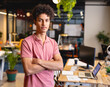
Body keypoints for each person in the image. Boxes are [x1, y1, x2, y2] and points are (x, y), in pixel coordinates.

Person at [21, 4, 63, 87]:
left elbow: (60, 65)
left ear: (49, 22)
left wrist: (39, 61)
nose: (44, 24)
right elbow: (28, 69)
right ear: (35, 22)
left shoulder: (53, 43)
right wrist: (50, 64)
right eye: (40, 20)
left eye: (47, 20)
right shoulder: (27, 42)